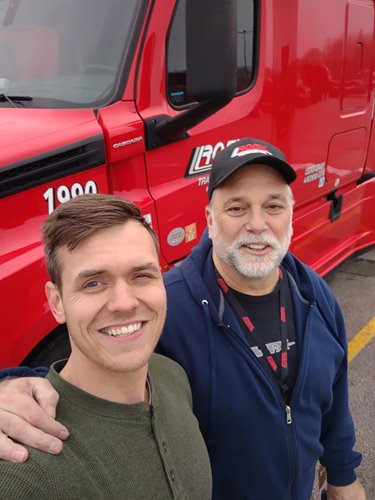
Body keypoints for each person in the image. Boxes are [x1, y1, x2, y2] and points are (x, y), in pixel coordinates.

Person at [0, 138, 365, 500]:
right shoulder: (165, 307)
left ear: (290, 212)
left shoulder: (313, 293)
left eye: (273, 206)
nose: (257, 224)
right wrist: (14, 384)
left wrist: (343, 472)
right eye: (236, 208)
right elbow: (98, 362)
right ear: (209, 219)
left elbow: (334, 394)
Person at [0, 194, 212, 499]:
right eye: (93, 283)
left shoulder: (171, 376)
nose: (124, 303)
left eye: (141, 275)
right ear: (56, 303)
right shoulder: (23, 473)